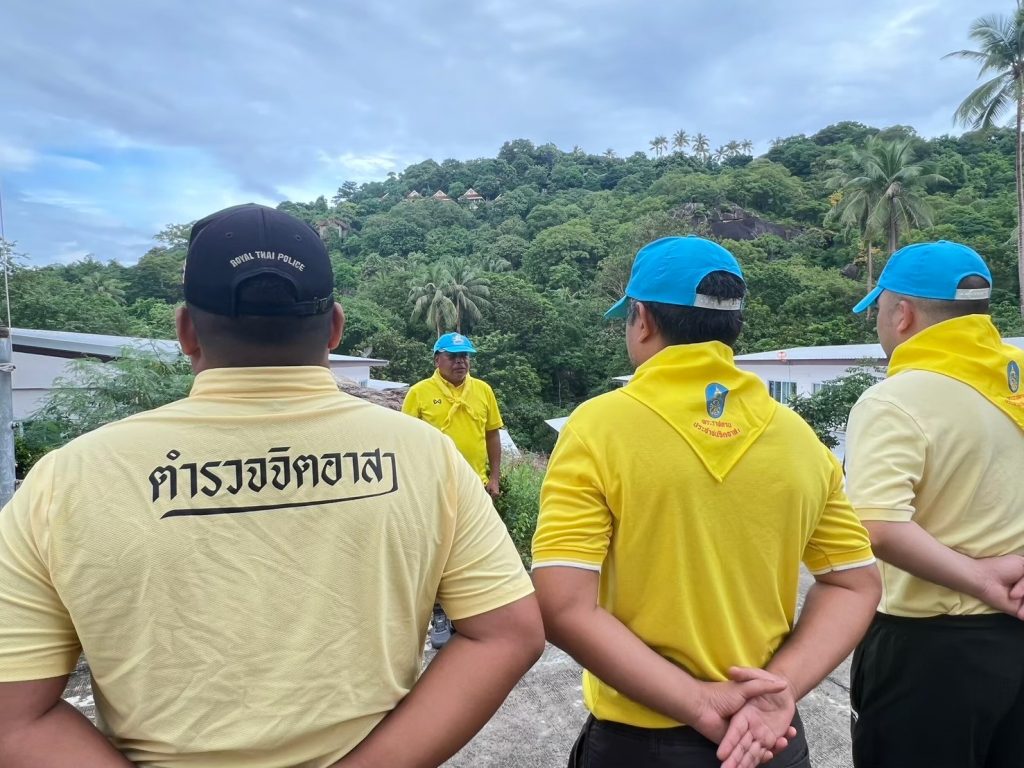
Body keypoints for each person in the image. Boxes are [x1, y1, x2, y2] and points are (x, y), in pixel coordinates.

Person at [0, 204, 544, 768]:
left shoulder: (67, 479)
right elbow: (508, 634)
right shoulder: (426, 456)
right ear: (335, 327)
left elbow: (15, 718)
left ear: (186, 331)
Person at [531, 235, 881, 768]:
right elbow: (855, 583)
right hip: (770, 740)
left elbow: (562, 606)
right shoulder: (798, 438)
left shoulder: (598, 428)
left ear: (642, 320)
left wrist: (699, 702)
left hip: (639, 745)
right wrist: (778, 691)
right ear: (732, 326)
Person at [844, 240, 1024, 768]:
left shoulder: (896, 398)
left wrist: (982, 579)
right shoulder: (1016, 380)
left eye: (879, 311)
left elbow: (877, 525)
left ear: (902, 314)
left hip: (929, 651)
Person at [402, 332, 505, 648]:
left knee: (475, 550)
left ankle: (472, 612)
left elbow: (492, 435)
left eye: (465, 356)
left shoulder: (483, 390)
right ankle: (439, 613)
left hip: (475, 486)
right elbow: (406, 442)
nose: (461, 362)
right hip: (432, 488)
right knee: (437, 552)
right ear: (437, 359)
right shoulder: (420, 393)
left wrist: (495, 477)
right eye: (453, 356)